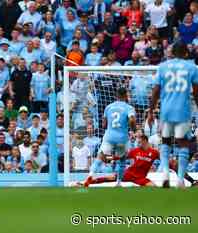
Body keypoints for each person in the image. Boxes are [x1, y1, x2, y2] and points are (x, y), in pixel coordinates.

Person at [150, 41, 198, 188]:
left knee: (165, 141)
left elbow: (156, 90)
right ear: (185, 53)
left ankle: (165, 173)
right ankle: (180, 180)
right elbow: (196, 92)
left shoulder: (163, 67)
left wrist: (151, 110)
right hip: (182, 109)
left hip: (166, 110)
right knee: (183, 143)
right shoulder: (192, 67)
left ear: (172, 52)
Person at [83, 87, 136, 187]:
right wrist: (133, 129)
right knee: (122, 160)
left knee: (100, 157)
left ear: (116, 96)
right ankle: (119, 182)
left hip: (109, 136)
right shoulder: (129, 108)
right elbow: (132, 120)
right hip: (122, 137)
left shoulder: (108, 107)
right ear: (126, 96)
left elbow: (103, 124)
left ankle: (90, 175)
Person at [80, 135, 159, 187]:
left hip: (140, 177)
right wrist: (109, 159)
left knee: (154, 187)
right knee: (110, 178)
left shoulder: (154, 152)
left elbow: (164, 160)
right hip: (129, 174)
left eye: (139, 142)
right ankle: (85, 183)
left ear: (145, 141)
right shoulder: (135, 151)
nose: (138, 144)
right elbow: (121, 156)